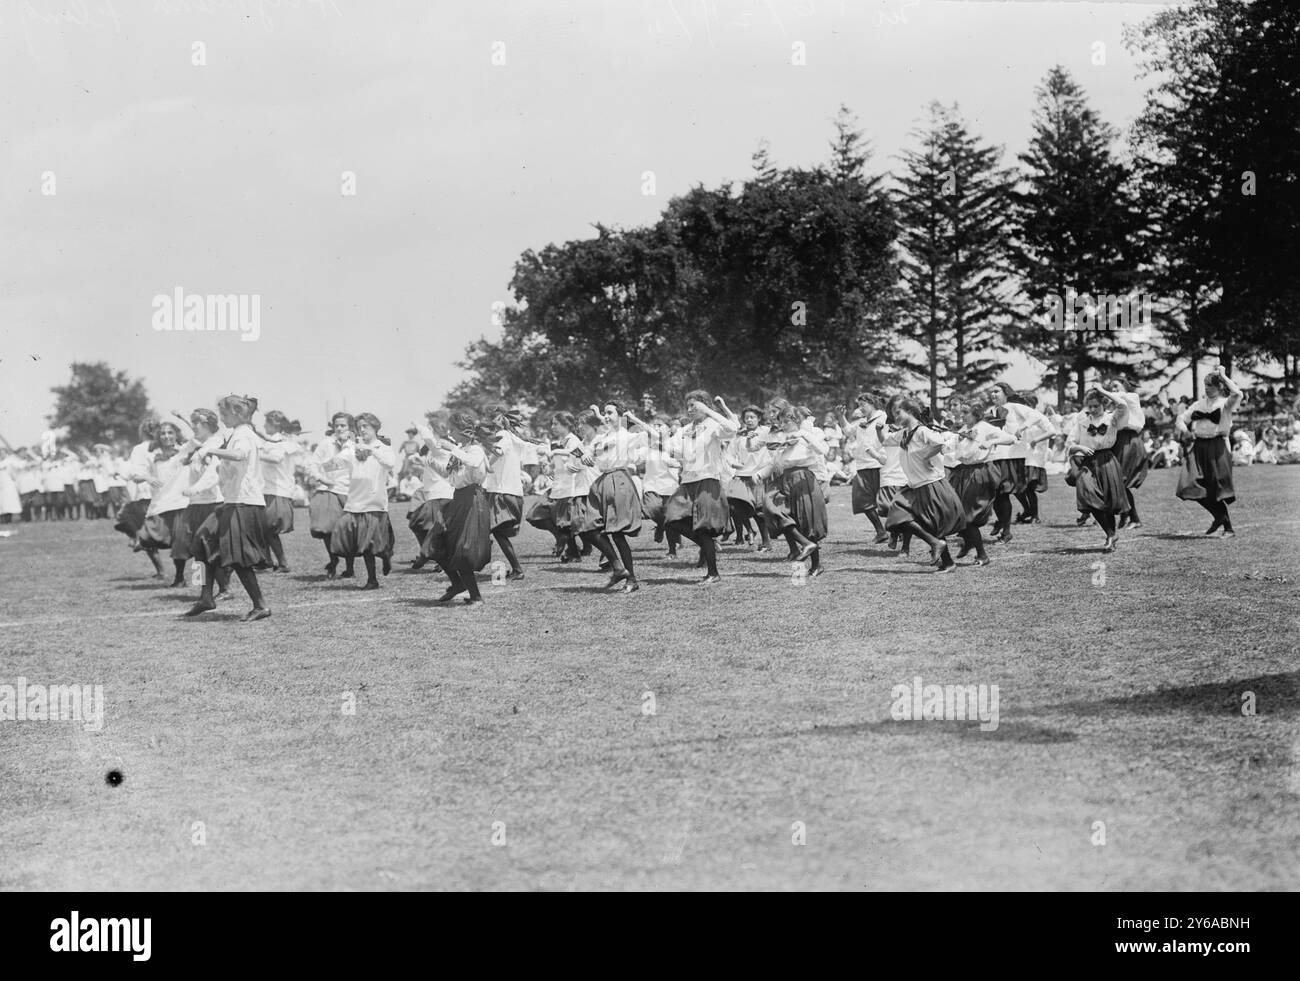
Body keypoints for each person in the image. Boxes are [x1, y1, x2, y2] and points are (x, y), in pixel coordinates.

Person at [186, 395, 271, 621]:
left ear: (235, 413)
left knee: (238, 557)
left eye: (224, 414)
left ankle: (260, 605)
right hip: (231, 501)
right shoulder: (233, 434)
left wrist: (210, 452)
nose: (222, 419)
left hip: (244, 503)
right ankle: (205, 596)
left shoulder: (245, 434)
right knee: (201, 541)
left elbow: (239, 455)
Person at [879, 398, 966, 572]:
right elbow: (885, 441)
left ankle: (948, 561)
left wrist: (926, 456)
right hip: (914, 486)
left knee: (933, 525)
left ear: (910, 412)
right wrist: (878, 430)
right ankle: (936, 544)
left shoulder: (922, 431)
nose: (895, 416)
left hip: (931, 485)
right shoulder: (903, 433)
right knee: (897, 516)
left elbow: (939, 443)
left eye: (898, 412)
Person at [664, 391, 739, 584]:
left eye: (694, 406)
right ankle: (708, 545)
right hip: (688, 481)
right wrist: (667, 450)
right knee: (672, 518)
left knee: (704, 527)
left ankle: (713, 573)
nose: (689, 410)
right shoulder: (686, 429)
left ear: (704, 406)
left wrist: (711, 411)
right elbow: (677, 450)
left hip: (707, 480)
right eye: (687, 406)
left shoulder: (714, 425)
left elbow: (732, 429)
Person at [327, 412, 397, 589]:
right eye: (359, 427)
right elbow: (332, 466)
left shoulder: (383, 448)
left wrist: (371, 450)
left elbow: (390, 464)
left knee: (375, 544)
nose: (362, 430)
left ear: (375, 427)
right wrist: (341, 448)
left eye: (366, 426)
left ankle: (386, 556)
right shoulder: (352, 449)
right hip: (355, 503)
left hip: (375, 503)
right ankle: (372, 580)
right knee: (364, 545)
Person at [1176, 370, 1243, 537]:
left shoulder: (1225, 403)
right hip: (1199, 446)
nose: (1207, 388)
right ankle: (1218, 516)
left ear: (1219, 386)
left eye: (1211, 385)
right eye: (1205, 385)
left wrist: (1224, 376)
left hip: (1217, 446)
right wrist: (1185, 431)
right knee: (1187, 484)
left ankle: (1228, 528)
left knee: (1215, 487)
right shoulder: (1198, 405)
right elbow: (1180, 419)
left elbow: (1238, 393)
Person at [1066, 386, 1132, 551]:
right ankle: (1110, 533)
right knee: (1087, 494)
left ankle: (1111, 535)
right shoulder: (1082, 422)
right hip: (1088, 462)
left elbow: (1123, 405)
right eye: (1090, 406)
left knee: (1107, 501)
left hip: (1107, 460)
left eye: (1096, 406)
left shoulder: (1112, 418)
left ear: (1104, 404)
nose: (1093, 409)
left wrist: (1103, 391)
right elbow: (1070, 444)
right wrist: (1079, 448)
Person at [257, 410, 304, 573]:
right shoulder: (271, 442)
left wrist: (255, 454)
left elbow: (277, 458)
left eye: (266, 423)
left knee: (267, 528)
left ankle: (279, 562)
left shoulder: (282, 442)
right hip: (267, 489)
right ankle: (270, 561)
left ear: (275, 424)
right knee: (263, 529)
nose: (264, 426)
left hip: (277, 490)